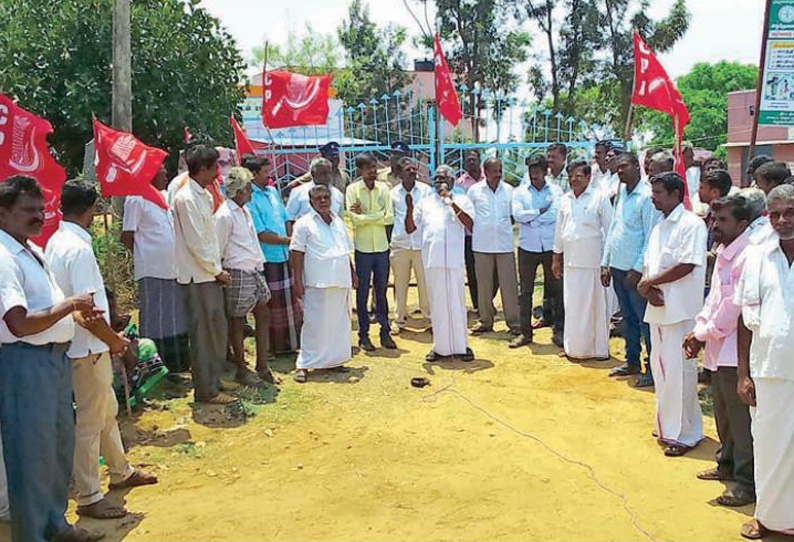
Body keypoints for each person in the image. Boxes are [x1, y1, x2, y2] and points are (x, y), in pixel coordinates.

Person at [0, 176, 104, 542]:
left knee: (58, 448)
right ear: (3, 213)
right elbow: (19, 323)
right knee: (32, 456)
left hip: (52, 361)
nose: (38, 216)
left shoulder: (32, 250)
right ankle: (34, 534)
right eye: (27, 210)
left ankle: (55, 525)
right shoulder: (3, 257)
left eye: (40, 208)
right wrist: (71, 305)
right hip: (25, 362)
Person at [46, 181, 157, 519]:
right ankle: (88, 495)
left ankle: (120, 470)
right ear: (93, 209)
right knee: (91, 423)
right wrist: (115, 342)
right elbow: (86, 312)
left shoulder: (57, 241)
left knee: (106, 411)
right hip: (88, 348)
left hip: (82, 346)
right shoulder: (76, 249)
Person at [682, 194, 755, 507]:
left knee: (739, 420)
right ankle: (726, 464)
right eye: (713, 219)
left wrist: (702, 333)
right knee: (723, 413)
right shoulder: (725, 251)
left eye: (722, 220)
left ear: (742, 223)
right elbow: (713, 299)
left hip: (733, 351)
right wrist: (700, 328)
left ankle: (746, 483)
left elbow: (732, 309)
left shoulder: (747, 256)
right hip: (716, 347)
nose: (714, 226)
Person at [734, 184, 794, 540]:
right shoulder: (756, 255)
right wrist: (743, 374)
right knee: (768, 445)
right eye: (776, 214)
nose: (783, 220)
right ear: (766, 216)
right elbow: (744, 319)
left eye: (790, 212)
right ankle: (767, 516)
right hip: (767, 369)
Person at [638, 172, 707, 456]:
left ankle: (685, 434)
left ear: (676, 194)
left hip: (681, 310)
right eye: (653, 192)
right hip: (658, 307)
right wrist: (647, 289)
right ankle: (666, 425)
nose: (653, 197)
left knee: (680, 373)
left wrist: (651, 283)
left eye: (658, 193)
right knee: (662, 370)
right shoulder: (659, 226)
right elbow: (650, 265)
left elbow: (688, 264)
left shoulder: (691, 224)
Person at [173, 144, 236, 404]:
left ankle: (214, 379)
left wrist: (216, 268)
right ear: (203, 168)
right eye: (215, 168)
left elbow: (208, 239)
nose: (218, 173)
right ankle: (206, 390)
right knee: (203, 333)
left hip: (209, 273)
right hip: (197, 276)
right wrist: (217, 270)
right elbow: (196, 243)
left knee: (216, 330)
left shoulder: (204, 195)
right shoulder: (185, 198)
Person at [121, 164, 191, 375]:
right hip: (152, 268)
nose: (165, 174)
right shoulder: (135, 198)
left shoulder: (163, 196)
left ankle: (176, 364)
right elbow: (127, 236)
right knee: (155, 316)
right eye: (161, 171)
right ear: (148, 173)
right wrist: (146, 255)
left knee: (174, 315)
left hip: (172, 267)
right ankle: (153, 366)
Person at [215, 167, 277, 386]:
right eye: (249, 188)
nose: (251, 192)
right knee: (237, 321)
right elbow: (219, 248)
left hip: (253, 268)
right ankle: (242, 368)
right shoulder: (224, 215)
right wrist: (220, 273)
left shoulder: (244, 211)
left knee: (263, 313)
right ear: (239, 191)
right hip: (236, 270)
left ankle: (262, 365)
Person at [601, 152, 659, 387]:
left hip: (635, 272)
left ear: (637, 166)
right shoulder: (622, 192)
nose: (620, 171)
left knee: (645, 322)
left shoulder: (647, 196)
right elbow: (614, 227)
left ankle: (652, 368)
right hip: (617, 267)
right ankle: (631, 360)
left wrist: (637, 269)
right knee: (628, 319)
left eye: (624, 166)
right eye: (618, 168)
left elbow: (650, 236)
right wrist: (606, 262)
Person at [407, 165, 475, 362]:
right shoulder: (425, 203)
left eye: (443, 178)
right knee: (437, 305)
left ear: (453, 181)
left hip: (454, 261)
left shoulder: (462, 199)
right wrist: (410, 206)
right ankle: (440, 347)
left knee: (456, 303)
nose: (438, 182)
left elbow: (470, 224)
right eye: (435, 178)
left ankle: (462, 346)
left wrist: (450, 202)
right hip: (433, 260)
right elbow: (411, 228)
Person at [290, 185, 357, 382]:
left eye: (326, 197)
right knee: (314, 324)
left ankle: (334, 361)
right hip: (317, 281)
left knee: (338, 323)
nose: (322, 201)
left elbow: (345, 249)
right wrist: (297, 281)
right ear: (311, 202)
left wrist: (352, 273)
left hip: (340, 278)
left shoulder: (337, 221)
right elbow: (296, 253)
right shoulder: (303, 224)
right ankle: (304, 365)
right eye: (318, 198)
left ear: (332, 200)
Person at [551, 161, 613, 360]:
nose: (573, 180)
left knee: (594, 308)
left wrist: (607, 262)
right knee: (573, 306)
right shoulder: (565, 199)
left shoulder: (599, 197)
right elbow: (559, 232)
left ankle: (598, 350)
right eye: (570, 176)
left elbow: (610, 230)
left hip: (594, 262)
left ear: (588, 177)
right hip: (571, 262)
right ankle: (574, 348)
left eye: (578, 176)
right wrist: (556, 258)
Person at [244, 154, 303, 354]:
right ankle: (274, 346)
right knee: (273, 303)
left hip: (284, 255)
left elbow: (286, 218)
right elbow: (261, 233)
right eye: (265, 172)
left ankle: (291, 342)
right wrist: (288, 241)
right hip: (268, 258)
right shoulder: (249, 198)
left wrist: (289, 239)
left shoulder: (272, 191)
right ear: (252, 174)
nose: (269, 176)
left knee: (289, 300)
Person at [510, 154, 563, 348]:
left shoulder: (556, 191)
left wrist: (531, 217)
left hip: (550, 247)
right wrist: (539, 212)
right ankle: (525, 333)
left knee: (555, 291)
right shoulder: (519, 192)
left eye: (537, 171)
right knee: (525, 292)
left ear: (545, 171)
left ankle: (559, 332)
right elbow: (517, 215)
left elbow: (556, 215)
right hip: (527, 247)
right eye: (531, 171)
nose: (534, 175)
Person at [346, 153, 396, 351]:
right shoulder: (352, 190)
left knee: (381, 291)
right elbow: (354, 219)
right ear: (360, 170)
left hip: (382, 248)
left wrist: (367, 215)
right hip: (363, 248)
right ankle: (363, 335)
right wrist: (377, 216)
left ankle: (385, 332)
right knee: (363, 292)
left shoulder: (384, 188)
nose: (373, 171)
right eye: (369, 168)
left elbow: (390, 218)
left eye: (375, 167)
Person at [469, 157, 521, 335]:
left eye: (500, 171)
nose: (498, 174)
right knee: (483, 285)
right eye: (494, 171)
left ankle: (514, 323)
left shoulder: (509, 190)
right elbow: (469, 216)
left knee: (509, 286)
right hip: (482, 245)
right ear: (485, 171)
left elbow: (513, 215)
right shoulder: (474, 191)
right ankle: (485, 321)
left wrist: (501, 226)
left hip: (504, 244)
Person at [390, 156, 431, 331]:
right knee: (400, 285)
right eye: (408, 170)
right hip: (400, 245)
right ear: (399, 174)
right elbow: (389, 219)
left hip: (421, 245)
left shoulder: (426, 191)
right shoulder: (392, 194)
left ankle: (429, 319)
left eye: (414, 169)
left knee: (425, 284)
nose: (413, 172)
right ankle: (399, 320)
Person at [455, 149, 485, 314]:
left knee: (490, 270)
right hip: (468, 234)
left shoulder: (487, 179)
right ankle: (478, 305)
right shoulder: (460, 183)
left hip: (486, 233)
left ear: (479, 160)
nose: (471, 162)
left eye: (474, 159)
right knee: (472, 271)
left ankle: (487, 300)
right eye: (468, 160)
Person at [286, 157, 345, 221]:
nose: (327, 176)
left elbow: (340, 219)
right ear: (313, 173)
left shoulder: (338, 194)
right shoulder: (299, 192)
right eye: (323, 173)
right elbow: (289, 217)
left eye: (329, 173)